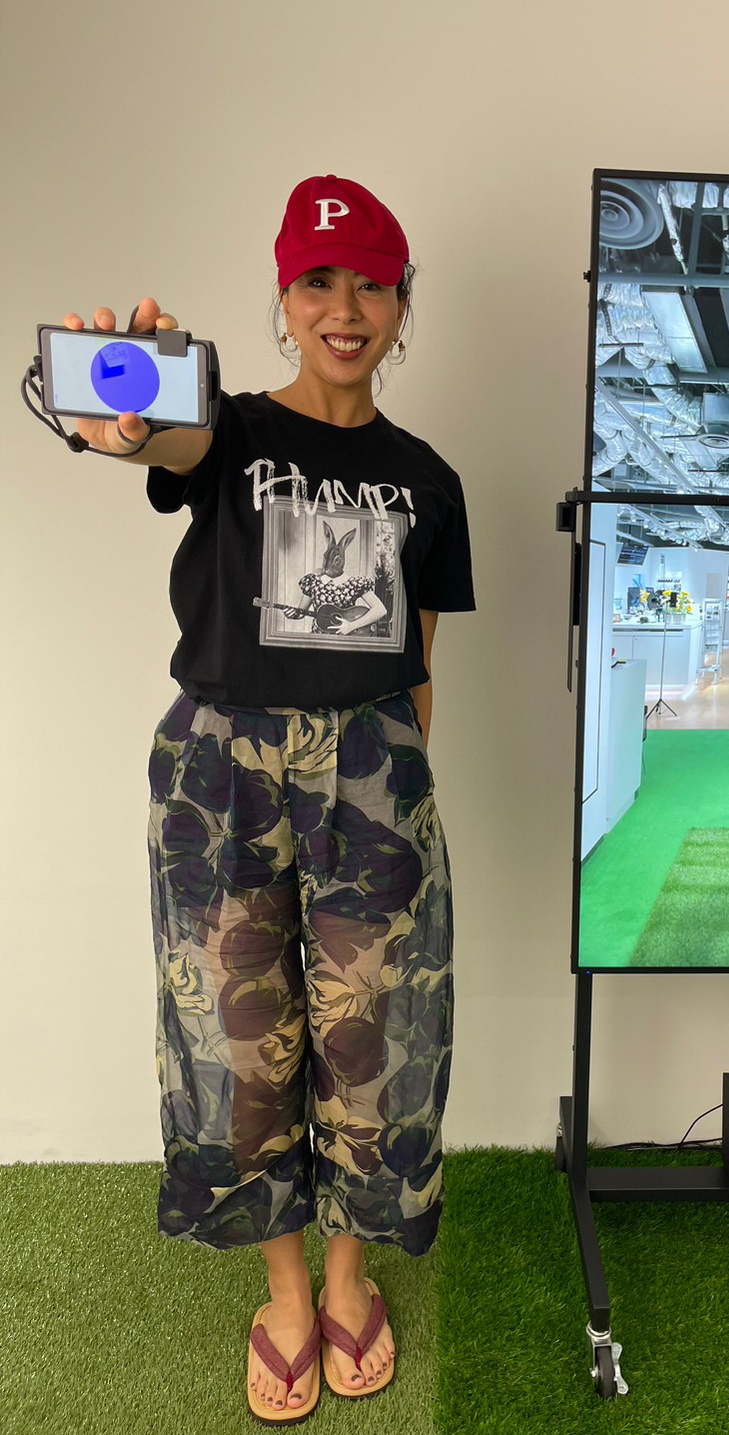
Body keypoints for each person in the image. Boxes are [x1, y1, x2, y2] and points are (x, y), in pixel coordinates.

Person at [56, 175, 476, 1423]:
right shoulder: (230, 432)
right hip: (219, 771)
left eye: (371, 284)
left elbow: (419, 658)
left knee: (374, 1039)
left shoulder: (427, 478)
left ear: (402, 302)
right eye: (317, 283)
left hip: (374, 770)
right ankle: (286, 1294)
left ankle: (350, 1281)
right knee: (237, 1043)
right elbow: (162, 440)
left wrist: (394, 780)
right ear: (284, 299)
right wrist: (133, 418)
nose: (345, 309)